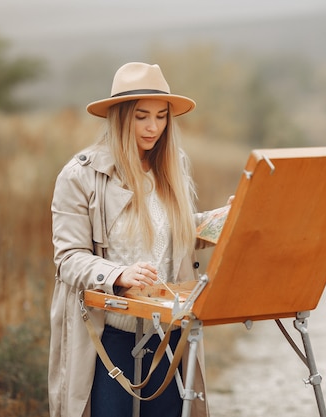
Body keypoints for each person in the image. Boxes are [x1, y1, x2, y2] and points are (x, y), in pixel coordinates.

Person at [49, 62, 217, 417]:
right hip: (109, 335)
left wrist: (223, 221)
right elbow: (67, 258)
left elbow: (177, 230)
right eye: (142, 116)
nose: (153, 127)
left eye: (161, 116)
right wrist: (118, 274)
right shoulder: (80, 176)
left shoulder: (172, 165)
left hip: (168, 333)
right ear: (120, 117)